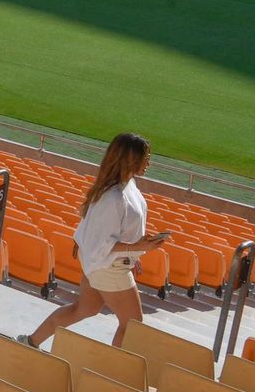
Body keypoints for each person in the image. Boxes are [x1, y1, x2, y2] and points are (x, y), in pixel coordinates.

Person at [19, 134, 168, 350]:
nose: (149, 162)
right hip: (110, 268)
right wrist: (137, 248)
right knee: (133, 325)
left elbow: (113, 231)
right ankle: (111, 374)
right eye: (145, 157)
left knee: (84, 309)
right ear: (131, 159)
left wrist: (135, 252)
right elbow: (102, 243)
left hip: (103, 265)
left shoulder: (126, 185)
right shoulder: (113, 197)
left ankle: (30, 341)